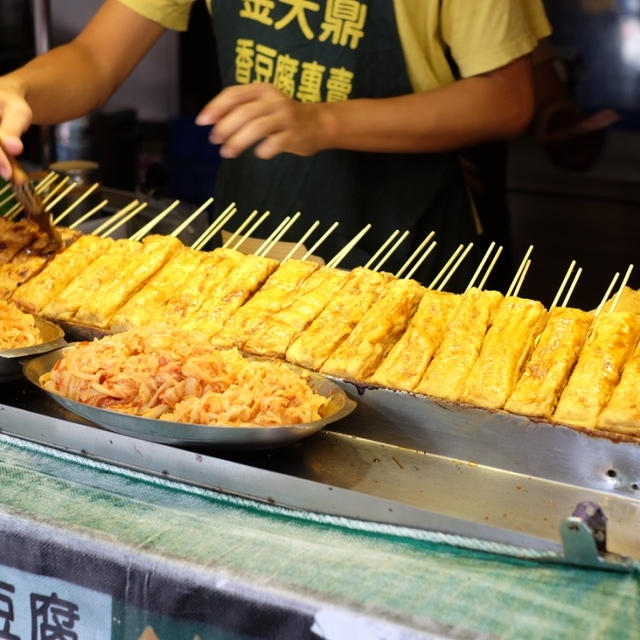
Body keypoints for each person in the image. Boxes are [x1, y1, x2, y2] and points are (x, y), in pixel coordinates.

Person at [0, 0, 550, 289]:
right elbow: (96, 59)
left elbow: (506, 99)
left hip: (406, 253)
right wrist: (18, 89)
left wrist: (324, 123)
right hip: (250, 242)